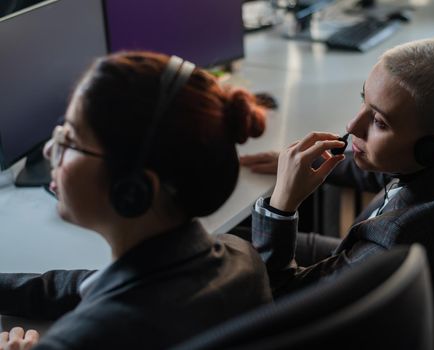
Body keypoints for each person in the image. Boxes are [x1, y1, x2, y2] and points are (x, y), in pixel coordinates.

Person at [0, 51, 272, 349]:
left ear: (133, 190)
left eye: (72, 140)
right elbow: (89, 285)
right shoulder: (242, 259)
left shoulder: (83, 339)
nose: (49, 149)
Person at [240, 38, 434, 297]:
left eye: (380, 122)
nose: (351, 126)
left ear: (431, 149)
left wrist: (280, 207)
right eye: (365, 101)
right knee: (239, 239)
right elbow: (388, 173)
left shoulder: (391, 244)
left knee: (236, 254)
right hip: (361, 259)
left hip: (350, 287)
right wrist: (318, 162)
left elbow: (279, 295)